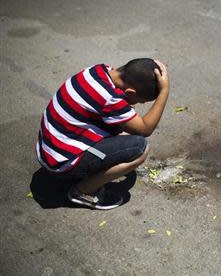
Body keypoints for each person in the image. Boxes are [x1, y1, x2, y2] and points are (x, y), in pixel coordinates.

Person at [35, 58, 170, 209]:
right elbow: (145, 129)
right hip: (61, 162)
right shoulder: (110, 98)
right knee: (140, 149)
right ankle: (82, 192)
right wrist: (164, 91)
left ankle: (85, 175)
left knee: (126, 128)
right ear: (130, 91)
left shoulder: (98, 70)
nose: (140, 104)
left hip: (51, 148)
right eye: (141, 100)